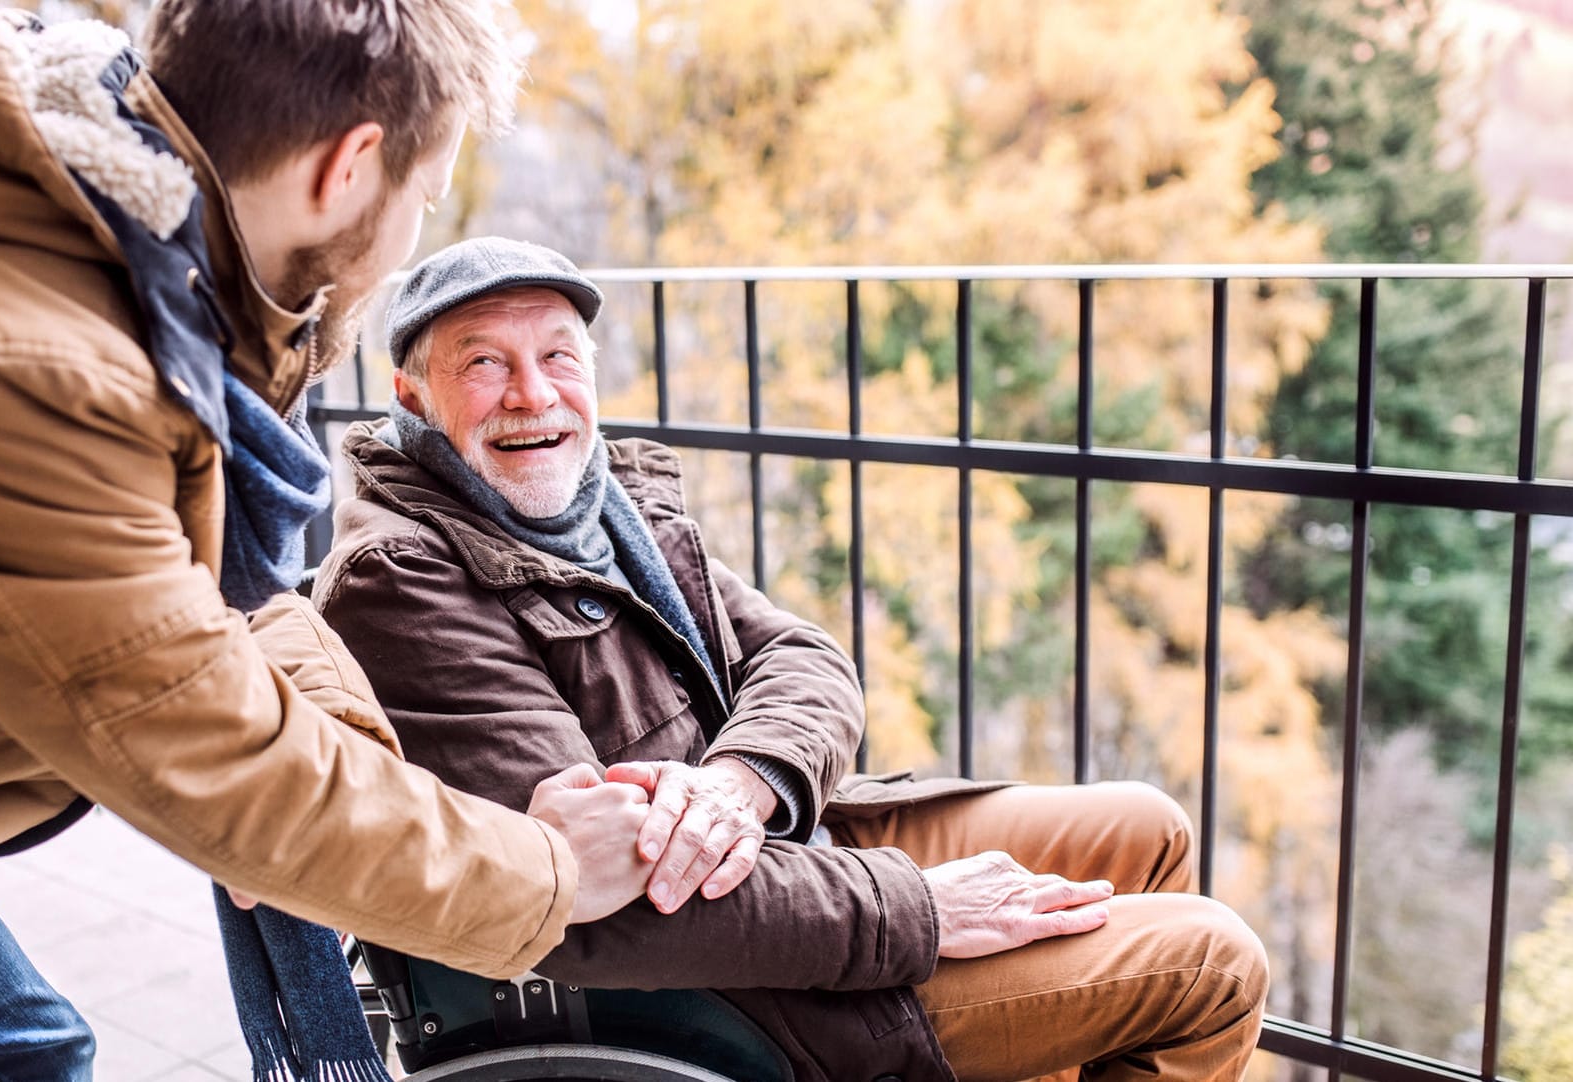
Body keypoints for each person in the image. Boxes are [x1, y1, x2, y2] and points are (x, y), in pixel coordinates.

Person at [0, 10, 658, 1081]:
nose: (414, 230)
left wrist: (358, 761)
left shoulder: (132, 256)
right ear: (351, 167)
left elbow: (228, 594)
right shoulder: (18, 375)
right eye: (426, 193)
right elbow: (226, 767)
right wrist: (551, 871)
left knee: (34, 1051)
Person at [310, 236, 1273, 1082]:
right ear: (413, 395)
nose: (534, 393)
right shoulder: (402, 577)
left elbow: (803, 658)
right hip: (735, 982)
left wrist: (738, 784)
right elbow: (585, 912)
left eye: (558, 356)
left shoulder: (601, 507)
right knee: (1212, 965)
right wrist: (917, 910)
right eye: (485, 363)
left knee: (1147, 829)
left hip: (784, 853)